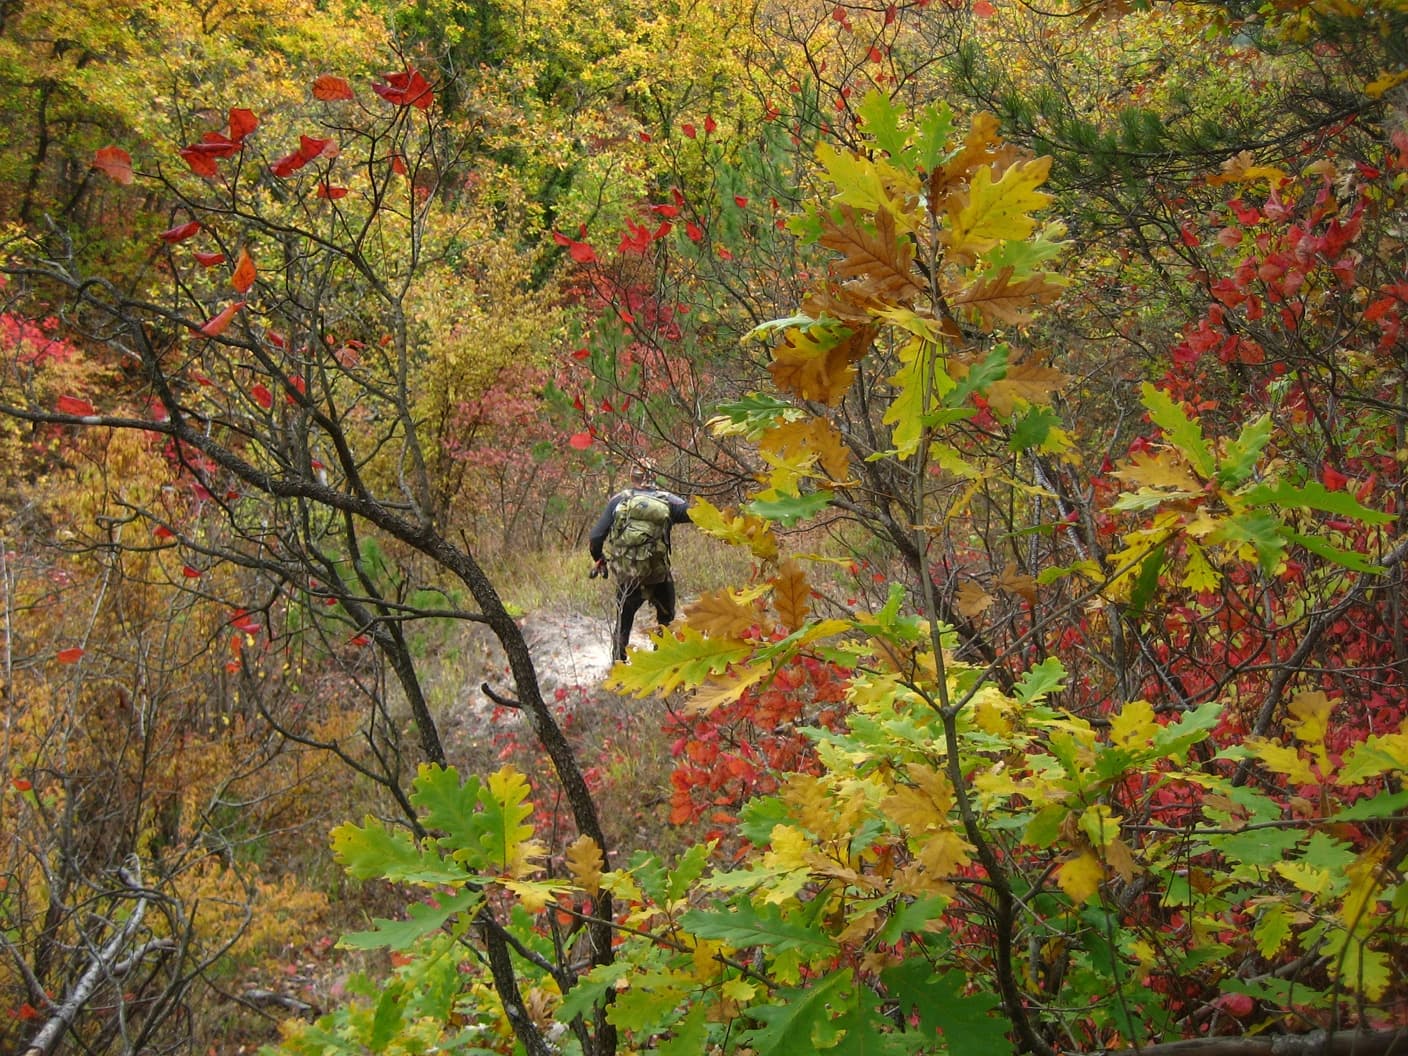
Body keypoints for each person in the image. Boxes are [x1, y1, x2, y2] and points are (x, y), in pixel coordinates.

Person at [588, 461, 691, 663]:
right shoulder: (668, 500)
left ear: (631, 477)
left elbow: (595, 537)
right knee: (666, 621)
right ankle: (662, 665)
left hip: (629, 577)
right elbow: (695, 514)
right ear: (655, 476)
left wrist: (599, 558)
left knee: (623, 624)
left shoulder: (618, 501)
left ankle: (618, 667)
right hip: (659, 576)